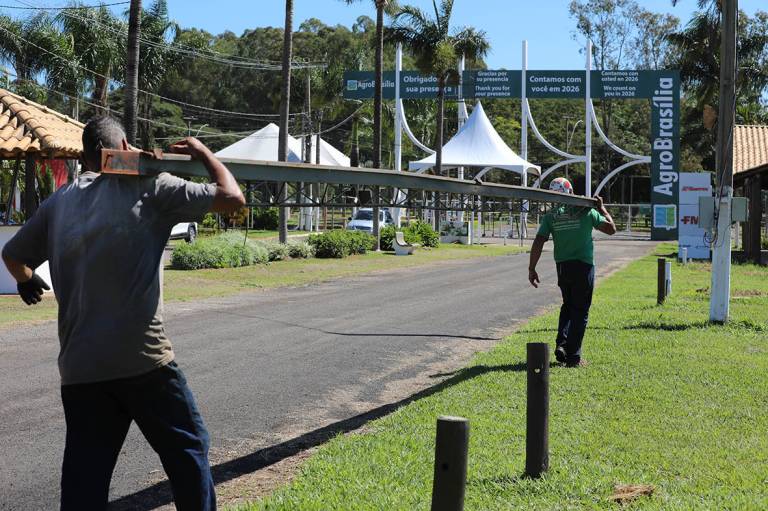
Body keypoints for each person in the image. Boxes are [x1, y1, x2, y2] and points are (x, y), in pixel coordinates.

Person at [2, 115, 245, 510]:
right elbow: (233, 198)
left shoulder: (59, 201)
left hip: (80, 369)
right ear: (126, 146)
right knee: (188, 450)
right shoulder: (149, 186)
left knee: (85, 481)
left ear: (84, 156)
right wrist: (202, 152)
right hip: (143, 362)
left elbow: (13, 256)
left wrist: (27, 281)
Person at [527, 177, 616, 367]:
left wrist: (532, 268)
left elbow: (538, 241)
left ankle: (563, 345)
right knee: (580, 310)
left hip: (563, 267)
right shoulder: (586, 212)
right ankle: (573, 357)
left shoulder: (551, 216)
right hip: (583, 266)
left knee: (568, 306)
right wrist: (602, 209)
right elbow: (611, 230)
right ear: (571, 191)